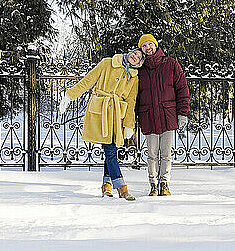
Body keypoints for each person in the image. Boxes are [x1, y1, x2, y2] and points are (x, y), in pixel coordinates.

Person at [59, 48, 145, 201]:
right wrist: (69, 95)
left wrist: (129, 124)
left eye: (139, 57)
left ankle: (106, 187)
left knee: (110, 150)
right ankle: (122, 188)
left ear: (139, 63)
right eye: (134, 53)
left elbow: (131, 102)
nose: (135, 56)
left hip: (117, 116)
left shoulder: (134, 77)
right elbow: (88, 80)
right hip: (102, 112)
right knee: (110, 151)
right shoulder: (107, 63)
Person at [136, 34, 190, 196]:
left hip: (168, 115)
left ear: (156, 45)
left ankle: (164, 183)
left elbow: (182, 89)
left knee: (166, 153)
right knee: (152, 153)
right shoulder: (140, 69)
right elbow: (135, 95)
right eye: (144, 46)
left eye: (150, 44)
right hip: (148, 115)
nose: (148, 48)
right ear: (142, 49)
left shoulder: (171, 64)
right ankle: (153, 184)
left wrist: (182, 113)